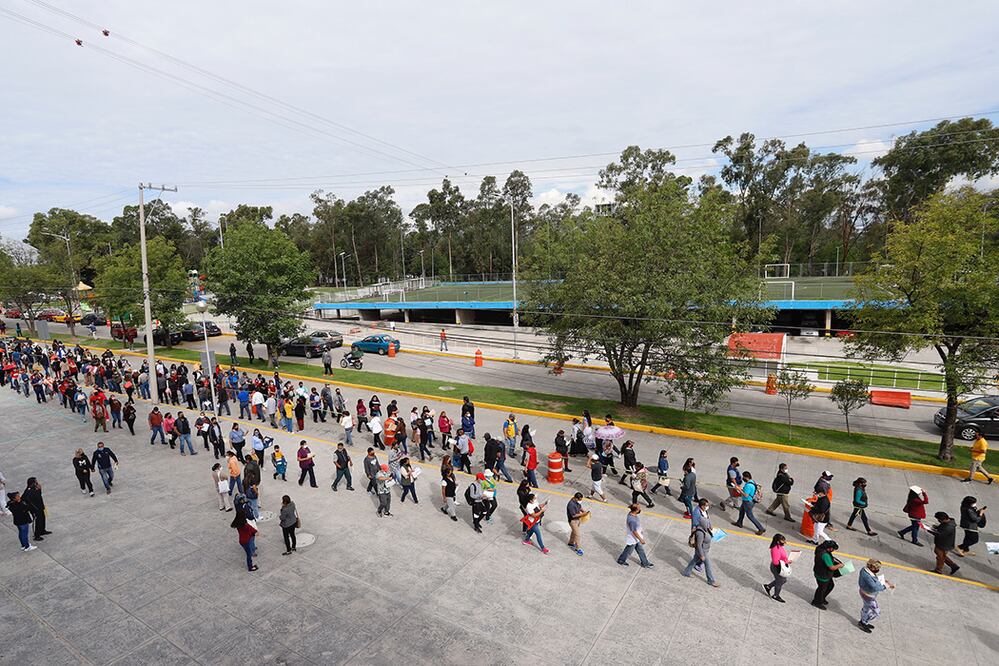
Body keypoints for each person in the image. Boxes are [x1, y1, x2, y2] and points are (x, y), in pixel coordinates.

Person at [682, 499, 717, 585]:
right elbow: (698, 544)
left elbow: (707, 520)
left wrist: (710, 526)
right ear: (702, 506)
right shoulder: (700, 531)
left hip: (705, 547)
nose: (707, 507)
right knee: (707, 564)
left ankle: (687, 571)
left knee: (694, 559)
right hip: (703, 550)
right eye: (706, 505)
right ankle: (711, 580)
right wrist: (702, 555)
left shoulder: (704, 515)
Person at [858, 559, 893, 633]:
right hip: (868, 595)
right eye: (876, 568)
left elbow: (874, 580)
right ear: (871, 567)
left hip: (864, 592)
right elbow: (875, 587)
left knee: (866, 608)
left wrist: (883, 581)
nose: (878, 570)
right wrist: (886, 586)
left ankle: (864, 622)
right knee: (876, 612)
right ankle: (864, 621)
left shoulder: (864, 570)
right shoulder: (867, 576)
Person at [811, 540, 844, 609]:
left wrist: (835, 560)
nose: (833, 550)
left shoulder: (820, 549)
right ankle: (816, 602)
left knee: (830, 586)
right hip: (823, 575)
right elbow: (831, 567)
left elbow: (831, 558)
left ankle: (822, 598)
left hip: (819, 572)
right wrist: (840, 565)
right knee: (821, 589)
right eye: (833, 549)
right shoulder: (825, 555)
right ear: (830, 548)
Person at [733, 470, 766, 535]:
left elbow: (745, 494)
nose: (743, 478)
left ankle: (760, 528)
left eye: (743, 477)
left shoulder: (748, 485)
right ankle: (739, 522)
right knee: (741, 511)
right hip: (748, 501)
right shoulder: (752, 482)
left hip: (747, 502)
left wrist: (739, 489)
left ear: (746, 477)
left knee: (750, 516)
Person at [930, 511, 960, 576]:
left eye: (939, 520)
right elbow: (942, 527)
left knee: (940, 557)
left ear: (943, 519)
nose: (938, 521)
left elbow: (940, 535)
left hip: (944, 544)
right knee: (939, 554)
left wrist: (931, 531)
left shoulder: (948, 527)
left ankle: (938, 570)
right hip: (943, 543)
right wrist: (937, 527)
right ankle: (953, 566)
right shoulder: (948, 523)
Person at [764, 533, 791, 602]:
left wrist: (787, 561)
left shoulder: (779, 546)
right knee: (780, 581)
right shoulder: (775, 549)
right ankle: (776, 595)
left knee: (783, 580)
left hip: (780, 566)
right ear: (778, 541)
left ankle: (768, 587)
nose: (785, 542)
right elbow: (776, 562)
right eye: (783, 541)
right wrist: (785, 562)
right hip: (777, 568)